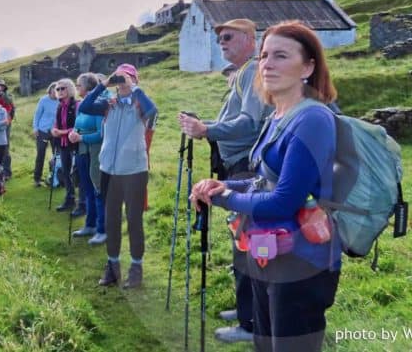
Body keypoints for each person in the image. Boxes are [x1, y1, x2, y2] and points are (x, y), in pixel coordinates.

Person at [190, 21, 340, 352]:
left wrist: (225, 198)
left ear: (309, 66)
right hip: (266, 250)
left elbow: (283, 202)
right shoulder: (278, 115)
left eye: (281, 56)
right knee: (263, 341)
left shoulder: (312, 118)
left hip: (302, 262)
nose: (267, 64)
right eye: (264, 55)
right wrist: (222, 183)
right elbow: (263, 180)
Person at [177, 18, 272, 344]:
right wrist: (206, 125)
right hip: (239, 167)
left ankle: (254, 322)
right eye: (219, 39)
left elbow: (248, 124)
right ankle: (248, 309)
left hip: (249, 168)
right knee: (245, 241)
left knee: (252, 242)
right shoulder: (245, 74)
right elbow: (237, 120)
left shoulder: (252, 71)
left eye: (228, 37)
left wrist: (207, 130)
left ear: (250, 38)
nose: (222, 44)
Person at [80, 64, 157, 289]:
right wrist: (103, 84)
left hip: (134, 170)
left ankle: (136, 268)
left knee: (134, 220)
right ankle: (112, 267)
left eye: (128, 78)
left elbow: (153, 113)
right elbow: (84, 106)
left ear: (135, 81)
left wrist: (134, 89)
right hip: (108, 170)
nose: (122, 82)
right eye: (120, 79)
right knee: (111, 219)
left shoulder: (139, 103)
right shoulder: (107, 105)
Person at [69, 73, 107, 245]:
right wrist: (73, 134)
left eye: (78, 85)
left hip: (95, 151)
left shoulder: (98, 104)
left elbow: (101, 134)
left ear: (88, 87)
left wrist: (81, 138)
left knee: (98, 190)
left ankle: (102, 230)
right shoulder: (82, 106)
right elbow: (77, 125)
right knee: (87, 189)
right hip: (82, 151)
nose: (76, 88)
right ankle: (90, 225)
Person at [50, 78, 79, 212]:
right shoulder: (59, 106)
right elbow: (57, 123)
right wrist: (54, 130)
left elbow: (77, 127)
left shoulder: (76, 105)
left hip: (75, 144)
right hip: (62, 144)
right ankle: (69, 199)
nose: (60, 91)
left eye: (63, 88)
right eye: (58, 89)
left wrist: (60, 132)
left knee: (77, 174)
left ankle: (82, 203)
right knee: (66, 173)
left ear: (70, 89)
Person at [32, 82, 59, 187]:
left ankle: (54, 177)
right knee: (40, 154)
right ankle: (37, 179)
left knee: (56, 155)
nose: (55, 91)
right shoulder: (43, 100)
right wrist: (35, 128)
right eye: (54, 89)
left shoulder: (60, 101)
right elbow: (37, 114)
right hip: (42, 130)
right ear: (50, 89)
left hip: (55, 131)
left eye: (57, 89)